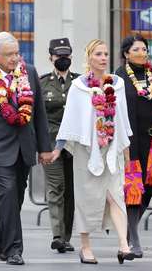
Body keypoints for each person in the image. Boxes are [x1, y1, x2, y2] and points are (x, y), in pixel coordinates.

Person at [0, 31, 51, 265]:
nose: (15, 58)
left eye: (17, 53)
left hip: (25, 146)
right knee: (7, 193)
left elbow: (40, 115)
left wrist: (44, 148)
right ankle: (14, 249)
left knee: (15, 197)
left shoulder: (30, 73)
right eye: (9, 54)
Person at [53, 39, 135, 264]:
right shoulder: (80, 87)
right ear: (89, 57)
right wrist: (59, 148)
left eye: (106, 53)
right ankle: (86, 246)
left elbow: (122, 118)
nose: (103, 58)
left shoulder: (117, 85)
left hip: (112, 148)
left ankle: (123, 245)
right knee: (86, 198)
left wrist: (126, 150)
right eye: (98, 54)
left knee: (115, 196)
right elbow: (70, 119)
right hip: (86, 149)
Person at [115, 34, 152, 258]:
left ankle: (128, 232)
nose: (142, 53)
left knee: (149, 187)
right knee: (133, 188)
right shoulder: (118, 78)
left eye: (145, 49)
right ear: (126, 54)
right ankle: (134, 241)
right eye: (137, 49)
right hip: (130, 141)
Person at [39, 38, 78, 253]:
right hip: (51, 144)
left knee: (71, 191)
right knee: (55, 188)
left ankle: (66, 236)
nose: (62, 59)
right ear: (51, 57)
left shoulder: (80, 82)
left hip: (75, 145)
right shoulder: (43, 83)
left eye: (66, 55)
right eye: (58, 56)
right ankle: (56, 234)